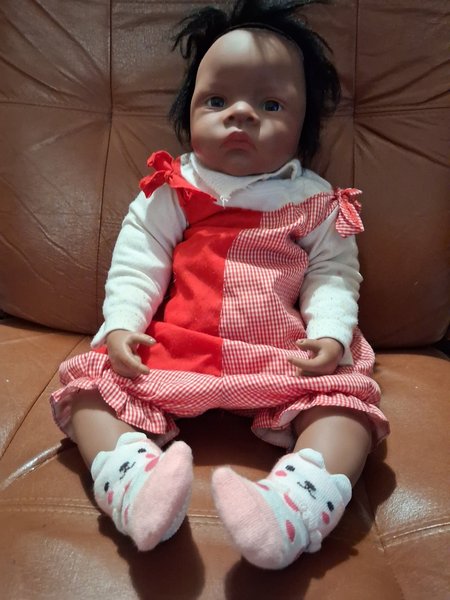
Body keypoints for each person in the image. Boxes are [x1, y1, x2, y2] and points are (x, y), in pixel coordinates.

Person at [50, 0, 389, 570]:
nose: (241, 115)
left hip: (283, 355)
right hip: (177, 349)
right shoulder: (172, 187)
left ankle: (295, 506)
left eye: (271, 104)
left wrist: (330, 334)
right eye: (216, 101)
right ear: (188, 113)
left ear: (304, 126)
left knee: (348, 404)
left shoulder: (316, 200)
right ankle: (133, 482)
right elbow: (139, 260)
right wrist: (124, 325)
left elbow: (334, 273)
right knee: (88, 387)